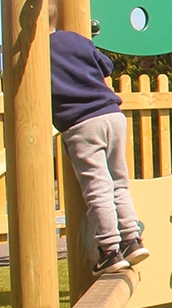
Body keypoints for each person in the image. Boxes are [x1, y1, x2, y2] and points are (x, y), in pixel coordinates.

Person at [50, 29, 148, 275]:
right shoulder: (75, 39)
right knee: (118, 182)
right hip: (112, 115)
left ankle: (109, 251)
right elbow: (106, 66)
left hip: (82, 122)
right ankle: (131, 240)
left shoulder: (39, 51)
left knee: (97, 188)